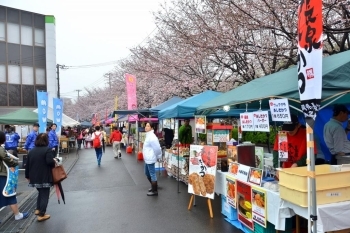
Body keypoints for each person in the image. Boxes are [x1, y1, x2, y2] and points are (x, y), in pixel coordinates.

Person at [25, 133, 57, 222]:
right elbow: (49, 162)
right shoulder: (47, 150)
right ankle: (41, 214)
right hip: (44, 176)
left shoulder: (32, 151)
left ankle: (38, 209)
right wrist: (54, 160)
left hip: (34, 177)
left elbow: (27, 165)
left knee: (41, 192)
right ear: (46, 141)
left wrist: (27, 175)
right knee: (44, 195)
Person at [0, 131, 29, 221]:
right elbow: (5, 158)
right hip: (3, 174)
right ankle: (17, 215)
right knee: (10, 193)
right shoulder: (0, 149)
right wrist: (15, 162)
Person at [142, 123, 162, 196]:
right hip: (147, 158)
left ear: (152, 128)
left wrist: (158, 156)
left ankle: (155, 190)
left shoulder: (152, 137)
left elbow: (157, 149)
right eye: (146, 126)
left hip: (150, 158)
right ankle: (153, 186)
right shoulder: (148, 135)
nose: (146, 127)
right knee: (147, 173)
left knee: (152, 174)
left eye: (148, 126)